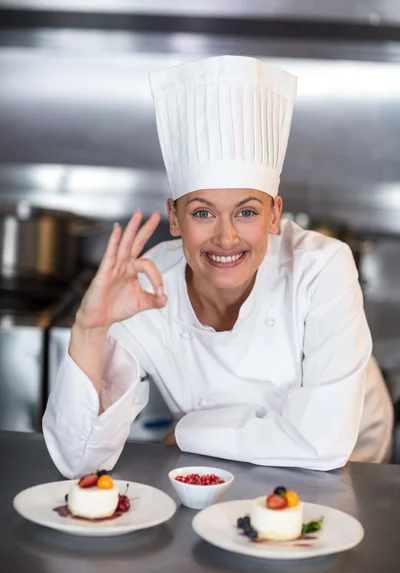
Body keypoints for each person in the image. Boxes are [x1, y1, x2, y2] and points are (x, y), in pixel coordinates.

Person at [43, 55, 391, 479]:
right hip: (216, 468)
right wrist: (89, 329)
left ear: (274, 214)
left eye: (246, 213)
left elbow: (322, 444)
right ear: (174, 217)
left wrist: (190, 431)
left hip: (347, 464)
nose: (226, 238)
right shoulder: (146, 288)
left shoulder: (322, 267)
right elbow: (77, 459)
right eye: (203, 213)